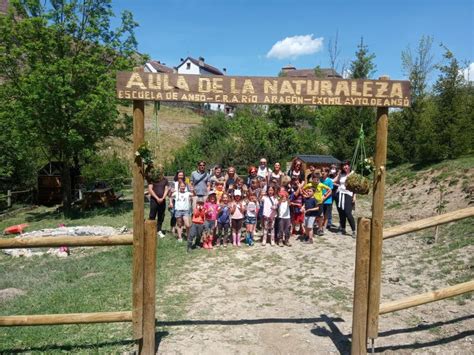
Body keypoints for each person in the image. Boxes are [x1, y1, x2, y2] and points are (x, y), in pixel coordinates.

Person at [304, 171, 331, 236]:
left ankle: (319, 229)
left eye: (318, 179)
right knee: (312, 216)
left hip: (319, 202)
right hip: (312, 202)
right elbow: (303, 189)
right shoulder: (310, 184)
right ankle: (310, 230)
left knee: (320, 216)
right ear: (312, 179)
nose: (316, 180)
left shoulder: (321, 184)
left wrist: (324, 196)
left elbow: (329, 189)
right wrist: (306, 195)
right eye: (315, 179)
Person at [334, 160, 356, 237]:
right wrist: (339, 173)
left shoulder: (353, 174)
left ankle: (353, 230)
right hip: (340, 194)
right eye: (343, 166)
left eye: (346, 165)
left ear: (349, 166)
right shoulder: (342, 174)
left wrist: (354, 196)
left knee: (348, 212)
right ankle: (343, 228)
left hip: (348, 194)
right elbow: (334, 181)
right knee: (341, 213)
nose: (345, 167)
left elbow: (355, 187)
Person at [148, 164, 169, 238]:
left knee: (161, 215)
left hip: (162, 200)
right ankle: (150, 230)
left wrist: (163, 198)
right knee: (152, 215)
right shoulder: (152, 179)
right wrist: (157, 198)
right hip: (154, 200)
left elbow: (166, 189)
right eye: (159, 169)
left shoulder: (165, 179)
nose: (161, 170)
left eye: (162, 169)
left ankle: (159, 230)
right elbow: (150, 189)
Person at [170, 170, 188, 236]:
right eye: (179, 175)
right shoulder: (174, 183)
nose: (180, 176)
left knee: (182, 216)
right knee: (173, 215)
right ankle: (172, 228)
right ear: (177, 175)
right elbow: (170, 193)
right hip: (175, 201)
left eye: (182, 175)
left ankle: (181, 229)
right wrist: (171, 202)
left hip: (183, 202)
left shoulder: (186, 183)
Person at [320, 167, 334, 233]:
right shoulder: (320, 180)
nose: (323, 172)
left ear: (327, 173)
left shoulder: (330, 181)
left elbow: (330, 191)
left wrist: (324, 197)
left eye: (325, 171)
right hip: (320, 200)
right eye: (322, 171)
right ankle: (320, 225)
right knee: (321, 214)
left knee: (326, 215)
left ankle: (324, 227)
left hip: (328, 201)